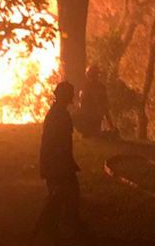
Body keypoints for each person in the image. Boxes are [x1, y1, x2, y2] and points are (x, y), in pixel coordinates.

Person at [34, 81, 83, 243]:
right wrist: (61, 165)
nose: (72, 97)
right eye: (70, 94)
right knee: (59, 196)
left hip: (59, 163)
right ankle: (50, 230)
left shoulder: (58, 113)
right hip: (57, 164)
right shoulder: (58, 115)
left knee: (63, 195)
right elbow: (56, 143)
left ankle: (57, 228)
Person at [77, 66, 117, 138]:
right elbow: (82, 106)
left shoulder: (98, 88)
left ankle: (92, 132)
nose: (93, 77)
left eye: (94, 75)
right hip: (88, 119)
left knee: (94, 134)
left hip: (94, 118)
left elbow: (105, 107)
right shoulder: (86, 88)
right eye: (92, 75)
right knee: (93, 134)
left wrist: (111, 125)